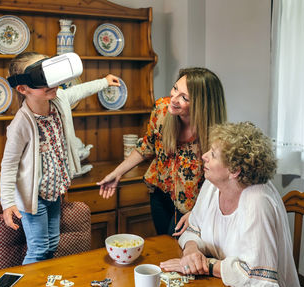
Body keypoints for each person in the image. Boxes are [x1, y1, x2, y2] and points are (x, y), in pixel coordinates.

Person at [0, 51, 120, 264]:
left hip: (55, 191)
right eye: (41, 78)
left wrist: (104, 82)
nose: (52, 83)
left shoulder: (59, 100)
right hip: (33, 198)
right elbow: (9, 165)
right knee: (39, 248)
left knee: (52, 244)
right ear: (22, 88)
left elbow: (79, 90)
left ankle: (45, 286)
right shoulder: (20, 124)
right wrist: (8, 202)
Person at [159, 122, 303, 287]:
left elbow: (254, 275)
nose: (204, 156)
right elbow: (194, 229)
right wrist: (191, 252)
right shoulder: (213, 185)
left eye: (212, 154)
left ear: (234, 171)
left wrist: (205, 265)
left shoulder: (258, 201)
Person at [97, 67, 227, 235]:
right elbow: (146, 147)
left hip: (191, 205)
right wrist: (117, 173)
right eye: (175, 89)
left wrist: (197, 212)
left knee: (178, 251)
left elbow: (219, 184)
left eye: (184, 97)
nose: (173, 99)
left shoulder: (215, 136)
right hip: (160, 193)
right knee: (163, 242)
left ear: (202, 104)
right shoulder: (161, 110)